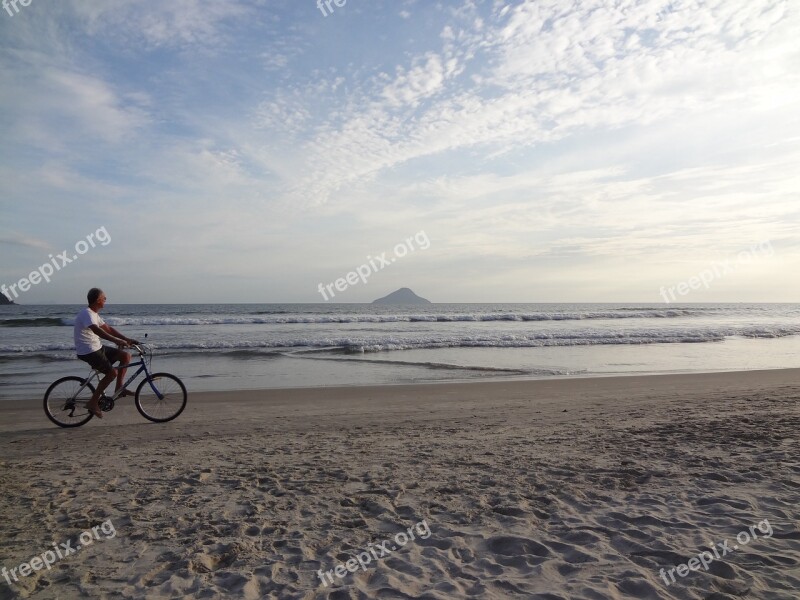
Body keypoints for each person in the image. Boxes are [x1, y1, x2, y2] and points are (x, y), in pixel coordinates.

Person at [73, 288, 139, 418]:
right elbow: (97, 330)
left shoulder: (94, 314)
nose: (106, 300)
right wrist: (116, 340)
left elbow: (108, 328)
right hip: (88, 351)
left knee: (125, 356)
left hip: (97, 347)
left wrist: (126, 339)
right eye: (104, 298)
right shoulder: (87, 313)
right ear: (98, 300)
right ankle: (93, 402)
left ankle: (119, 389)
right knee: (112, 373)